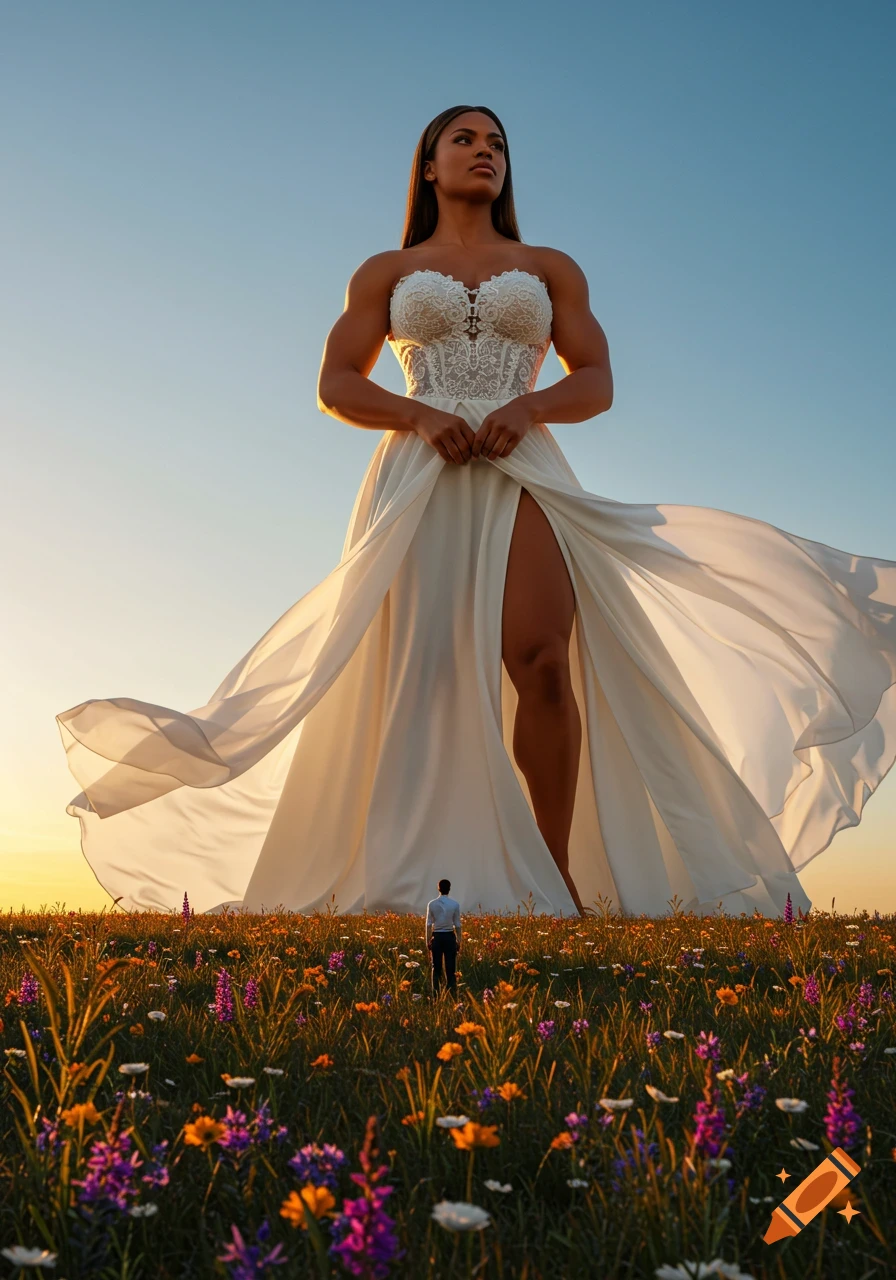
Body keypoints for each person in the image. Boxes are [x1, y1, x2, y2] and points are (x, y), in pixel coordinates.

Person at [56, 104, 896, 922]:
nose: (484, 151)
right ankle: (412, 862)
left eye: (496, 141)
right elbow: (337, 383)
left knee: (539, 658)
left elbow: (596, 377)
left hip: (522, 464)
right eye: (464, 139)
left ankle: (556, 871)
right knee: (421, 673)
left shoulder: (550, 265)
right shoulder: (383, 272)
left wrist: (529, 410)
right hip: (417, 473)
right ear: (429, 164)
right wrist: (417, 414)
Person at [426, 879, 462, 994]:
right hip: (449, 936)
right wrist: (459, 940)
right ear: (449, 889)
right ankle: (451, 993)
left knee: (436, 967)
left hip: (437, 936)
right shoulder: (455, 905)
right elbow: (457, 925)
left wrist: (427, 940)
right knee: (450, 968)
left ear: (438, 888)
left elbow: (428, 924)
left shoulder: (431, 904)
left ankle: (436, 993)